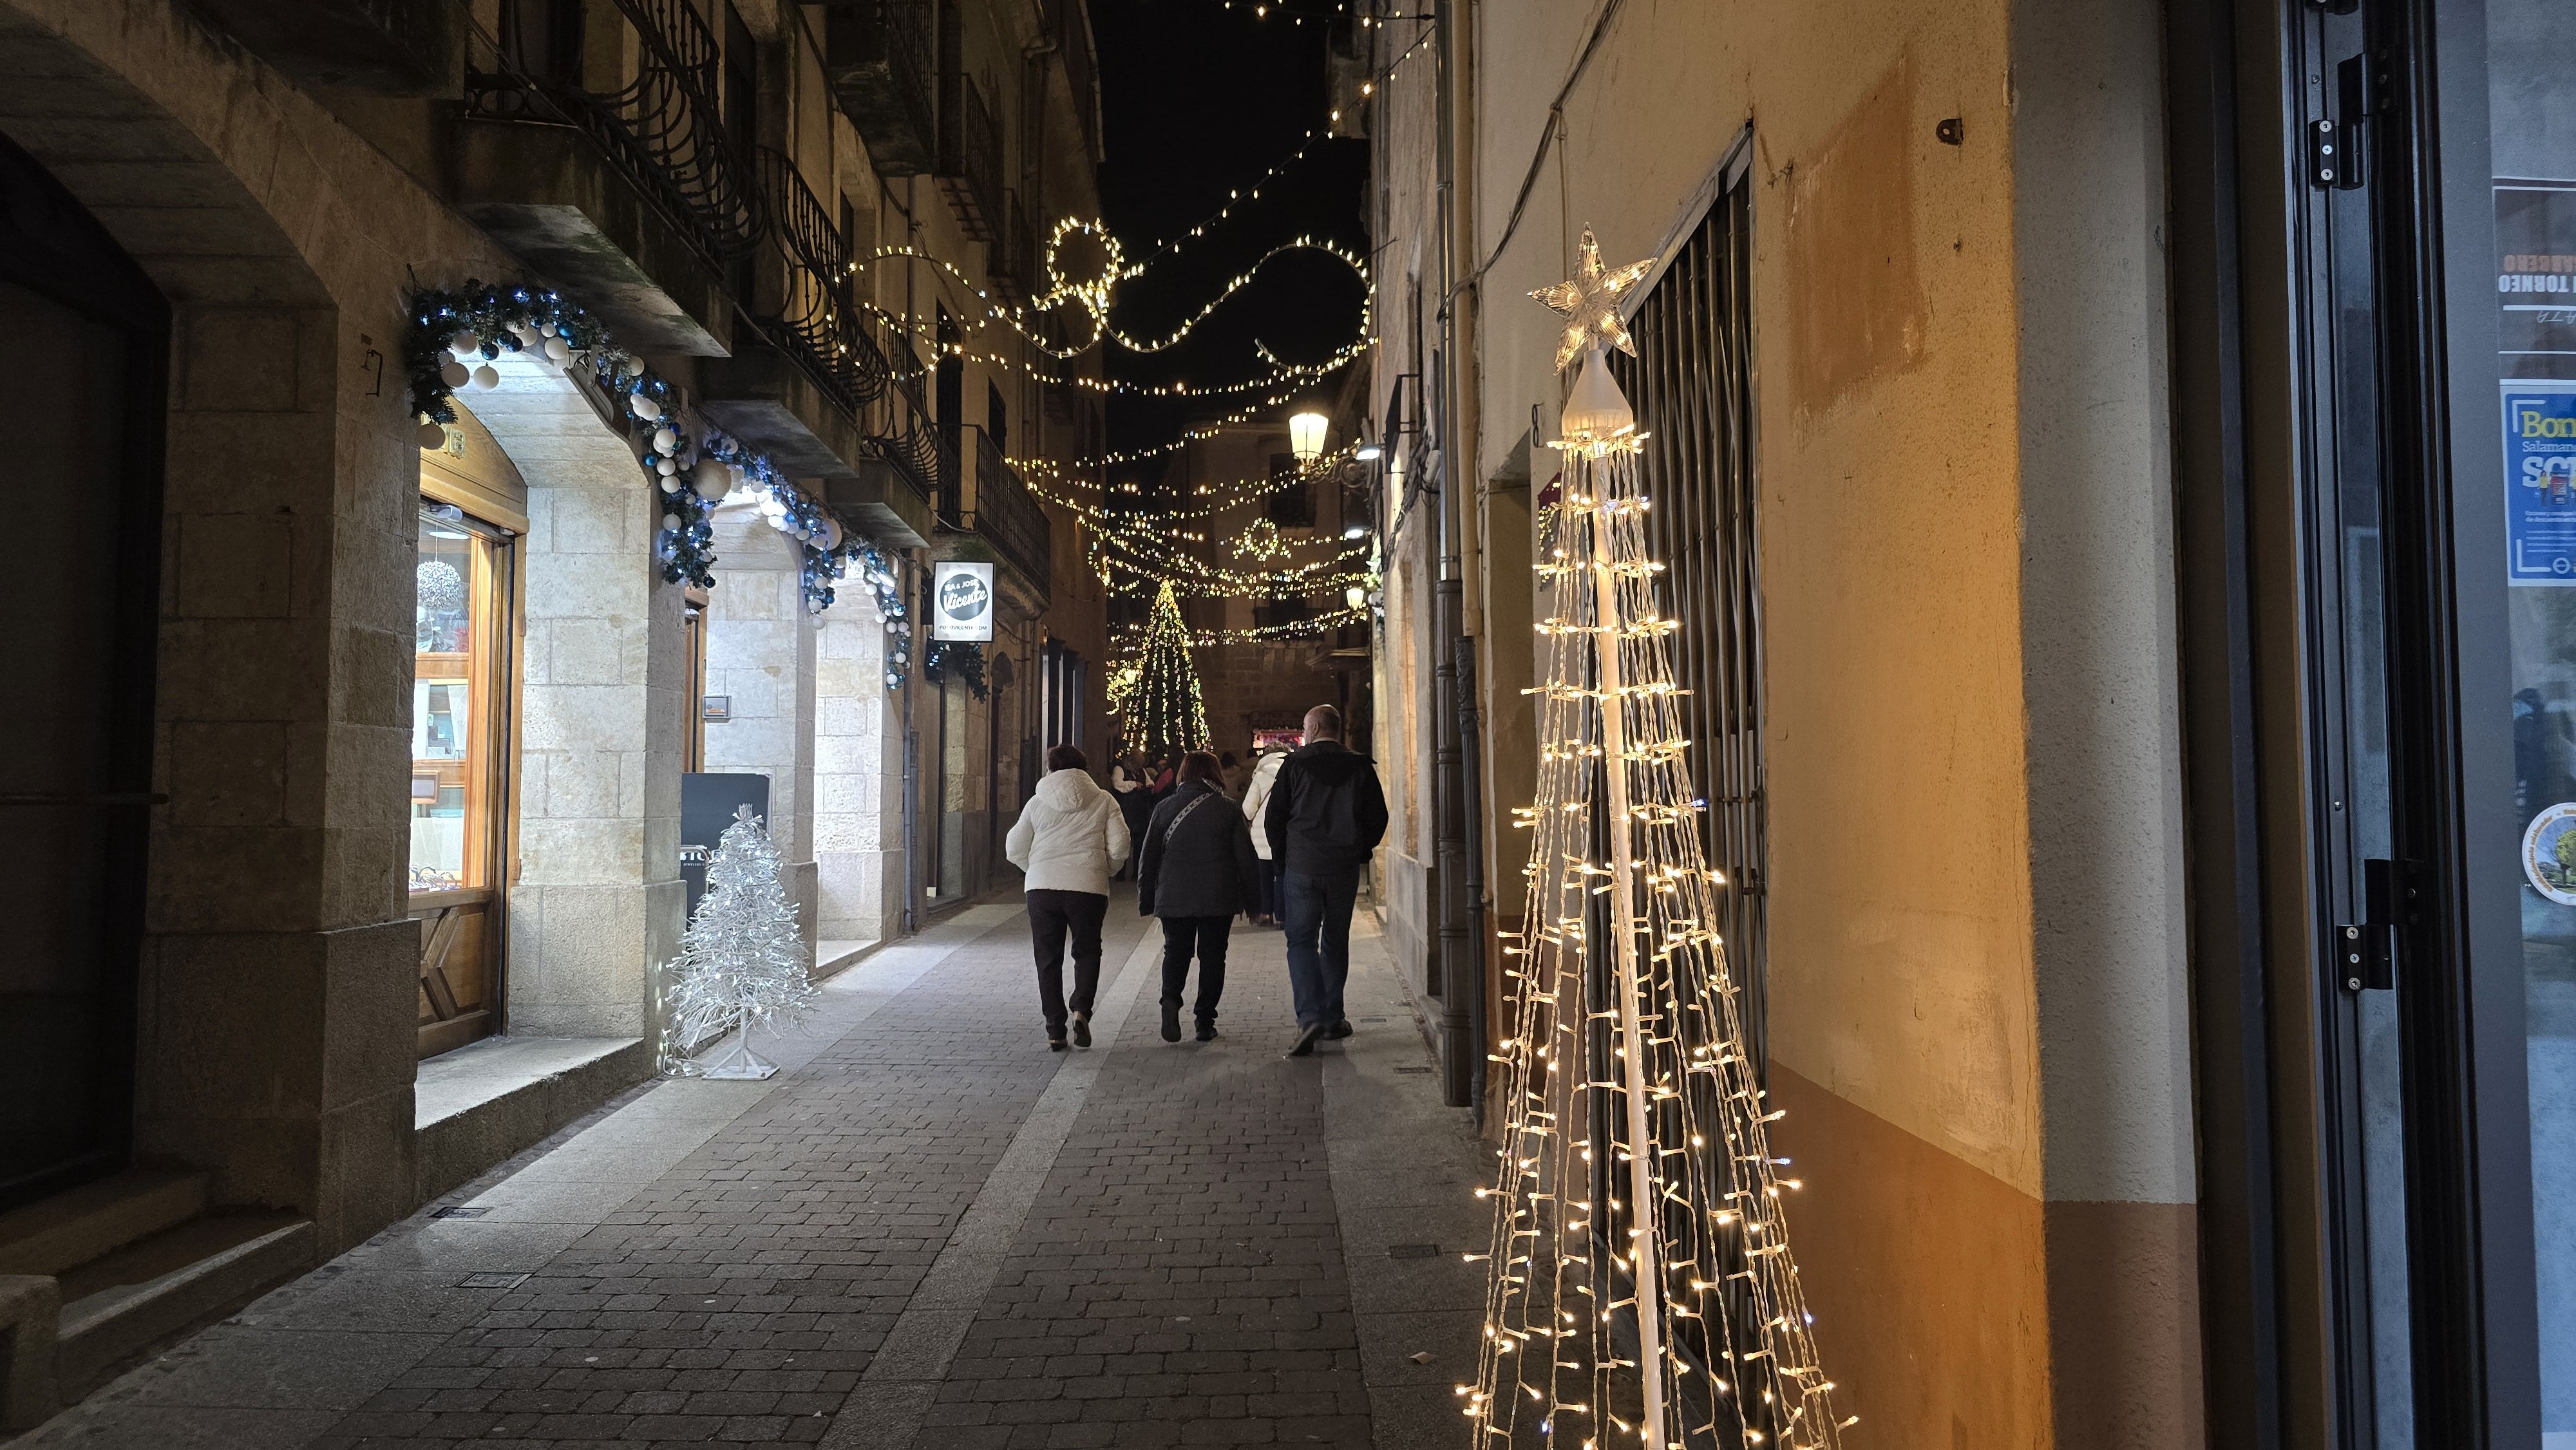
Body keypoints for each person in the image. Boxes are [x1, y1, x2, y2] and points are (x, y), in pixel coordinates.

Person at [1264, 704, 1388, 1056]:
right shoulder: (1360, 766)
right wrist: (1359, 849)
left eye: (1305, 728)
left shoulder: (1294, 766)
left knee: (1301, 940)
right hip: (1343, 867)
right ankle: (1333, 1017)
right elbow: (1378, 817)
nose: (1303, 734)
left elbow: (1275, 819)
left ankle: (1309, 1016)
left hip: (1302, 864)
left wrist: (1283, 860)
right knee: (1335, 938)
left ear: (1315, 727)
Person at [1005, 744, 1131, 1051]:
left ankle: (1054, 1029)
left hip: (1042, 889)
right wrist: (1105, 870)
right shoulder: (1104, 800)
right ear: (1085, 769)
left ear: (1051, 769)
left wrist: (1035, 870)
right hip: (1087, 887)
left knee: (1047, 958)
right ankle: (1081, 1010)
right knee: (1087, 951)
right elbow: (1120, 846)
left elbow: (1014, 847)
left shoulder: (1036, 803)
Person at [1135, 751, 1260, 1043]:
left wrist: (1147, 899)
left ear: (1183, 774)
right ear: (1215, 774)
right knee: (1213, 957)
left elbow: (1148, 857)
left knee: (1176, 952)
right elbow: (1246, 860)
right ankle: (1205, 1021)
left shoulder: (1165, 808)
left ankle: (1170, 1001)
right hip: (1218, 896)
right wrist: (1254, 903)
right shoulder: (1228, 809)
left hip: (1174, 895)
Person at [1240, 744, 1287, 926]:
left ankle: (1267, 913)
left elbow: (1248, 809)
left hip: (1262, 834)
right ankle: (1283, 916)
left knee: (1265, 875)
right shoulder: (1292, 772)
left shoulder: (1260, 775)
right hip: (1284, 833)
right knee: (1283, 874)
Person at [1110, 749, 1153, 879]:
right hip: (1126, 809)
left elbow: (1149, 781)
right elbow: (1117, 784)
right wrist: (1134, 784)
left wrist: (1149, 785)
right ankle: (1121, 874)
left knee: (1140, 842)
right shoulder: (1120, 769)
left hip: (1140, 810)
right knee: (1125, 841)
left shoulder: (1141, 771)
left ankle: (1137, 872)